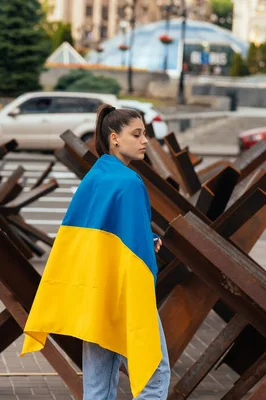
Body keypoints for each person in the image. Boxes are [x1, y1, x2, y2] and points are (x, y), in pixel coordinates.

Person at [21, 105, 171, 399]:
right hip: (125, 293)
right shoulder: (129, 182)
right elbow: (130, 244)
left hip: (95, 292)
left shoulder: (95, 176)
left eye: (146, 135)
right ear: (115, 138)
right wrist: (146, 244)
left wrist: (144, 237)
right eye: (137, 134)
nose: (145, 141)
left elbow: (93, 230)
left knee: (98, 384)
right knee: (154, 374)